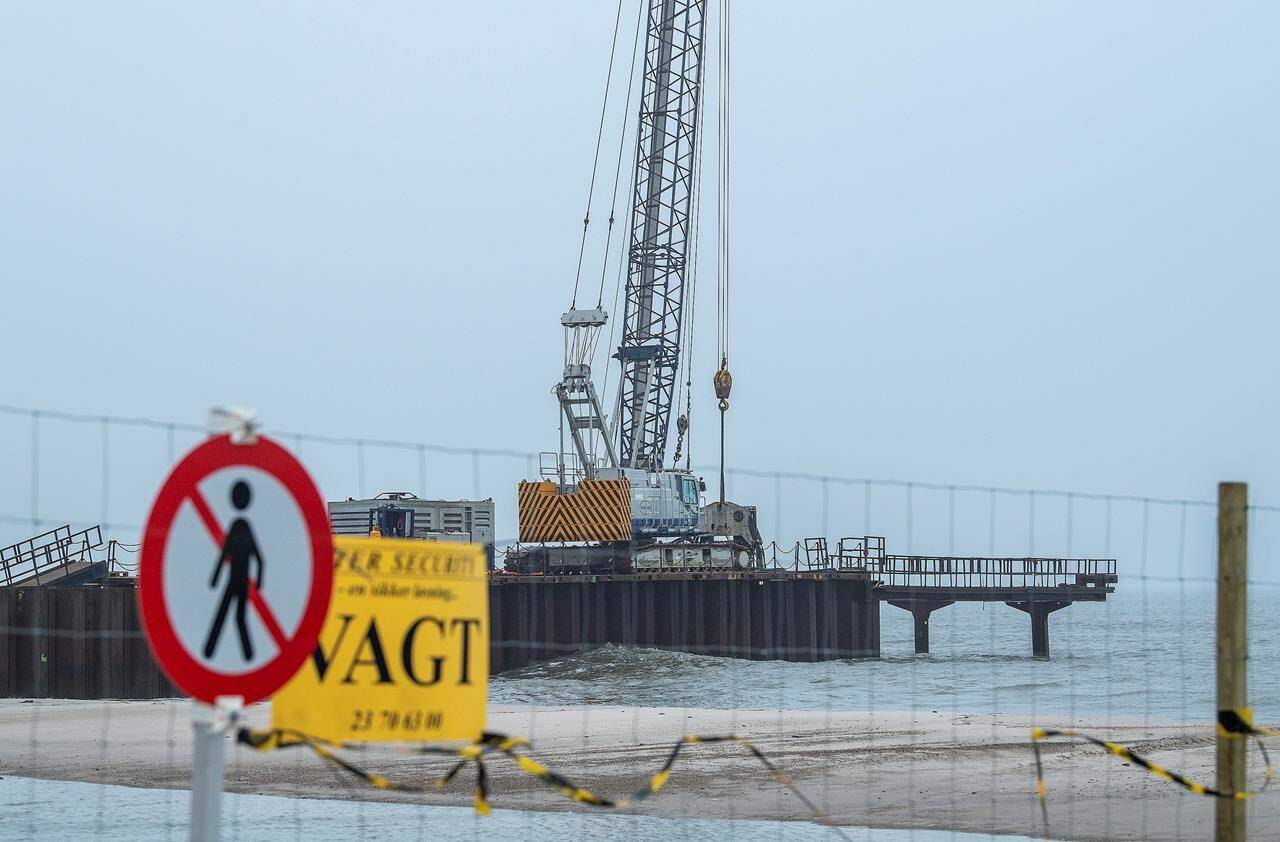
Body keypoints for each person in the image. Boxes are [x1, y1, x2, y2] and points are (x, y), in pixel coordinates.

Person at [203, 480, 264, 661]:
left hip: (237, 581)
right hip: (238, 581)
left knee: (231, 616)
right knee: (230, 615)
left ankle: (245, 655)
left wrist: (215, 578)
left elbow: (226, 555)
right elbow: (257, 559)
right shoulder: (240, 527)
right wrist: (258, 581)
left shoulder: (240, 527)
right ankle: (244, 655)